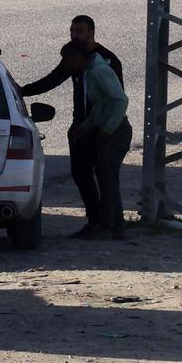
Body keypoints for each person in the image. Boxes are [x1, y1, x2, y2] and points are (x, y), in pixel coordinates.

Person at [21, 15, 125, 239]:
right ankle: (95, 222)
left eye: (79, 31)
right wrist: (22, 91)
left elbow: (116, 101)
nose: (75, 35)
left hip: (105, 128)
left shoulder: (104, 61)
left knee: (107, 177)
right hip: (83, 126)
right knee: (81, 174)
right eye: (72, 31)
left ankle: (114, 226)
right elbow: (52, 79)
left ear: (91, 32)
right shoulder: (73, 58)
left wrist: (106, 130)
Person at [61, 44, 131, 240]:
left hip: (116, 131)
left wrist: (108, 129)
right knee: (104, 178)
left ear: (78, 58)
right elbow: (100, 105)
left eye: (69, 60)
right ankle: (110, 225)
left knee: (107, 179)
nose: (67, 65)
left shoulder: (99, 71)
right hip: (103, 129)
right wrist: (84, 127)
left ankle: (109, 226)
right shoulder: (88, 73)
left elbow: (120, 101)